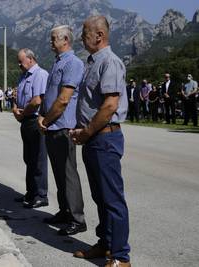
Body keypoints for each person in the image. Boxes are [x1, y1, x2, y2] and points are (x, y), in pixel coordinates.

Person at [70, 16, 131, 267]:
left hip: (104, 138)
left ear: (99, 36)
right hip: (94, 139)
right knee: (100, 197)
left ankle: (120, 256)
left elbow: (109, 106)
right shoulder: (92, 63)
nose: (81, 36)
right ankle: (105, 243)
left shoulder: (110, 62)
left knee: (113, 199)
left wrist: (85, 132)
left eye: (85, 32)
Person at [38, 25, 86, 235]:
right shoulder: (58, 63)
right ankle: (64, 211)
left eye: (53, 38)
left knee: (68, 174)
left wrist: (46, 120)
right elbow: (49, 94)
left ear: (65, 40)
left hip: (62, 126)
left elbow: (64, 99)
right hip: (52, 125)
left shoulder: (73, 63)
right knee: (58, 173)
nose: (50, 42)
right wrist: (42, 115)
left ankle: (77, 218)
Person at [13, 48, 48, 208]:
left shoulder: (40, 75)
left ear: (30, 59)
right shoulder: (23, 76)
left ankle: (41, 195)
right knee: (28, 158)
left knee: (39, 159)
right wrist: (15, 108)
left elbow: (37, 100)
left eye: (21, 61)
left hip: (35, 120)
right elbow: (17, 96)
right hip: (25, 120)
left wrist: (22, 113)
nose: (19, 64)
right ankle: (31, 192)